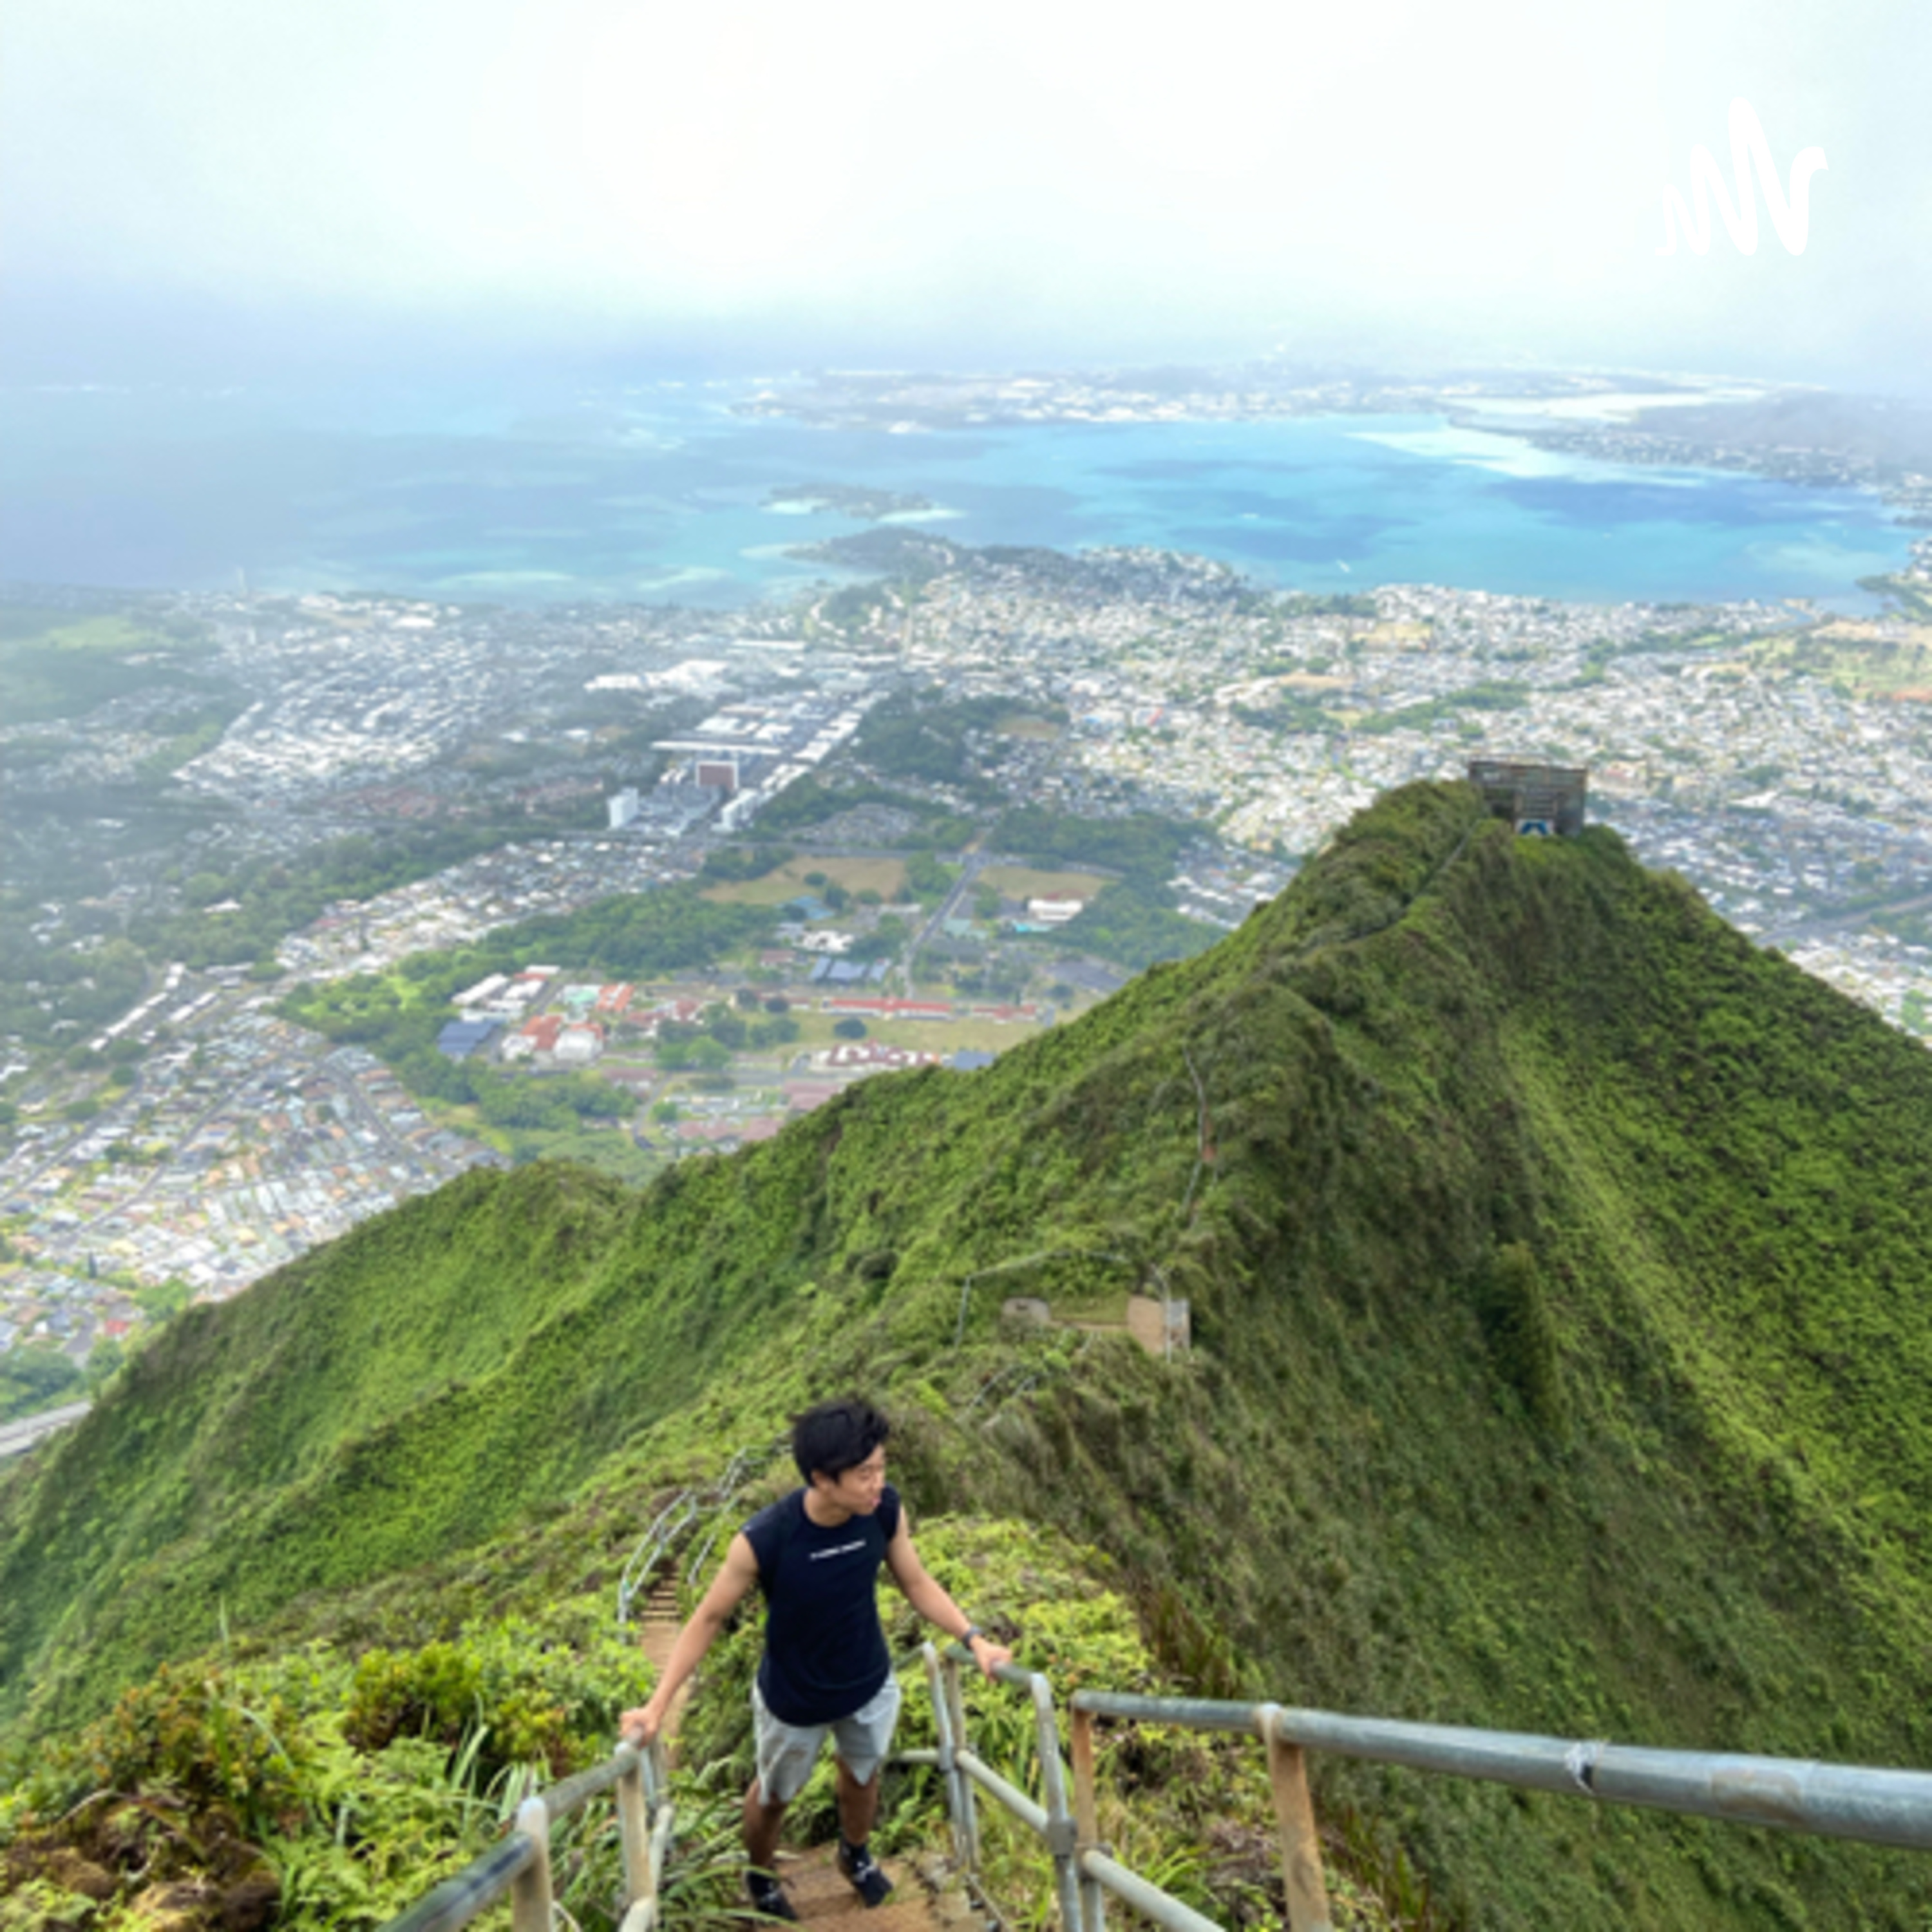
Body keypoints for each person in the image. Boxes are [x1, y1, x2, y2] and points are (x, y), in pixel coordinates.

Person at [621, 1397, 1014, 1920]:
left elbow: (916, 1582)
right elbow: (708, 1619)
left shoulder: (885, 1511)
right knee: (775, 1796)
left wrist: (975, 1639)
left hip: (868, 1682)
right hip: (793, 1698)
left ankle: (855, 1854)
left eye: (881, 1468)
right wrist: (656, 1706)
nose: (878, 1483)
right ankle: (760, 1877)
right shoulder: (766, 1539)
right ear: (821, 1480)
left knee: (862, 1776)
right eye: (864, 1474)